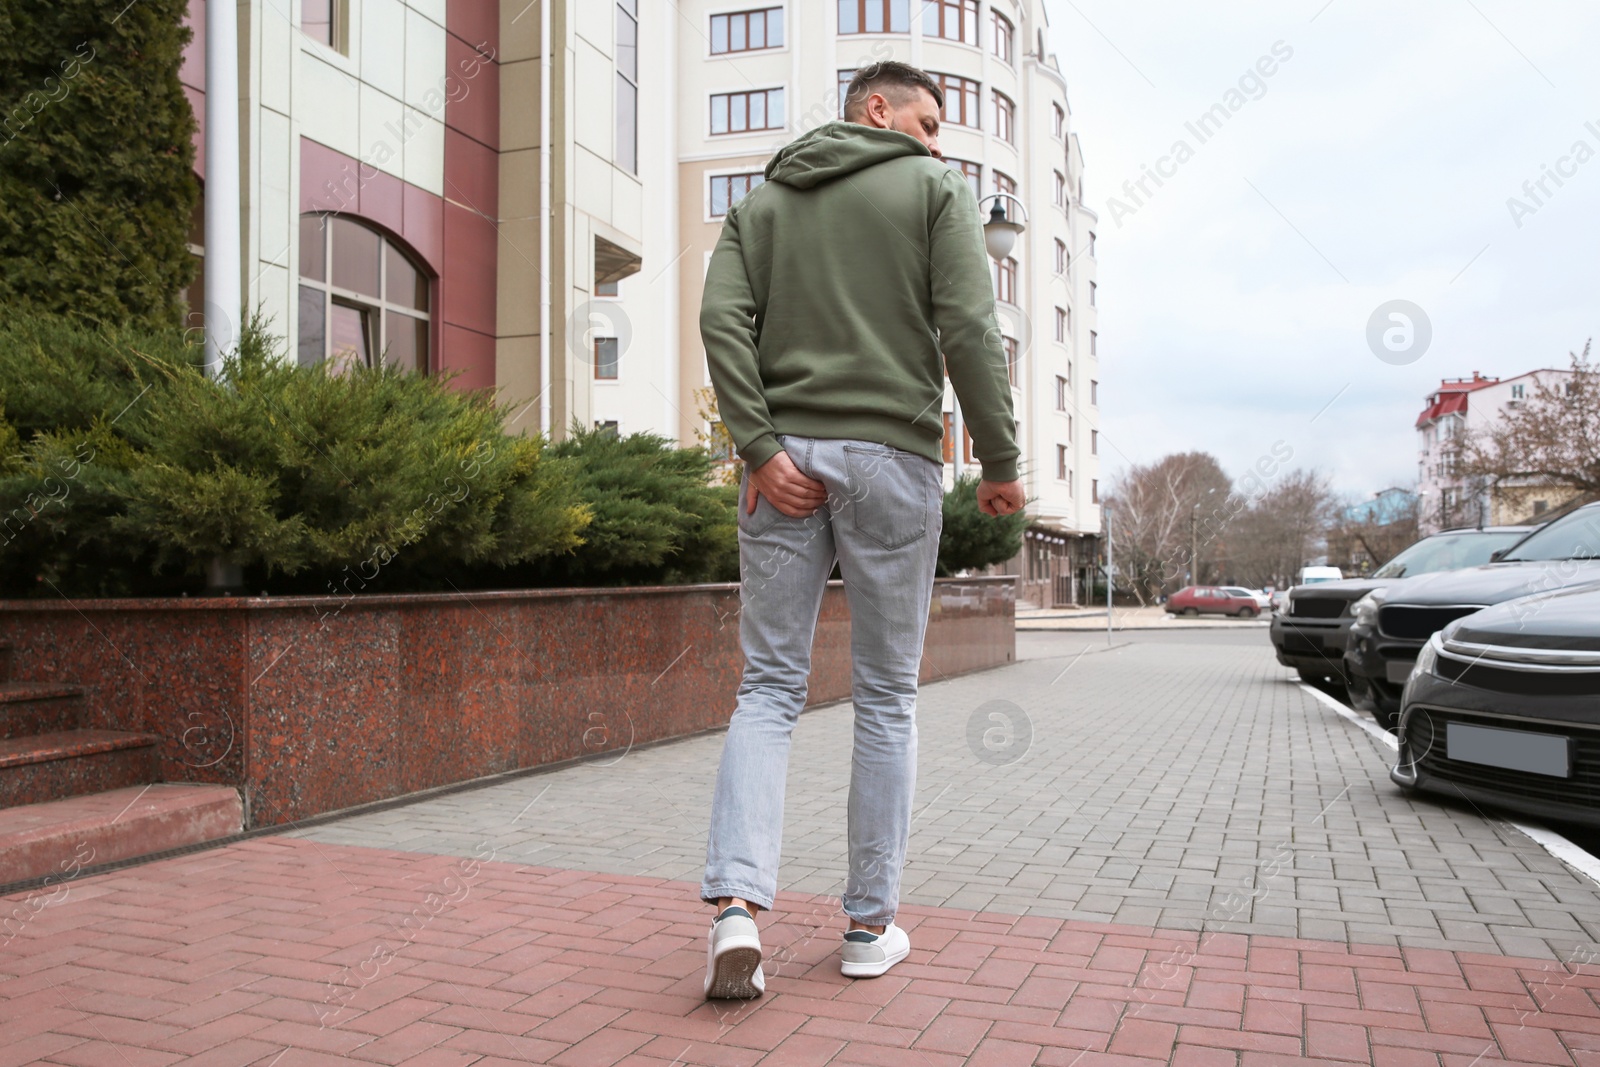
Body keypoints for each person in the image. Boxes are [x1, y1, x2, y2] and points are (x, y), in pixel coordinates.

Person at [697, 60, 1024, 999]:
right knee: (885, 696)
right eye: (928, 123)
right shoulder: (932, 191)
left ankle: (734, 909)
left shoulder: (762, 206)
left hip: (784, 464)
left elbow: (722, 322)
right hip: (892, 457)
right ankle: (867, 927)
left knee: (766, 688)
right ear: (875, 109)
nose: (935, 145)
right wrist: (998, 462)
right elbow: (967, 325)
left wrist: (758, 448)